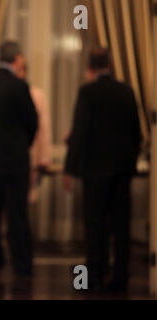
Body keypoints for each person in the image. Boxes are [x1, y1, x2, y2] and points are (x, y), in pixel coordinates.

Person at [64, 49, 141, 292]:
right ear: (110, 64)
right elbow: (136, 133)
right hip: (121, 170)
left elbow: (80, 133)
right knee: (121, 226)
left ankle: (94, 277)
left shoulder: (87, 92)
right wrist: (130, 163)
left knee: (95, 225)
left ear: (90, 67)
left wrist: (70, 168)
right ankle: (121, 277)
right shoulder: (126, 91)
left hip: (94, 170)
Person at [0, 41, 38, 278]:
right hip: (14, 162)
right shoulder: (19, 86)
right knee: (17, 215)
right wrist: (23, 144)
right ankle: (22, 264)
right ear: (17, 59)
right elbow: (32, 122)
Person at [16, 62, 52, 203]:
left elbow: (43, 128)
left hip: (31, 154)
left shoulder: (36, 95)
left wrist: (44, 157)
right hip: (13, 156)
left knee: (24, 199)